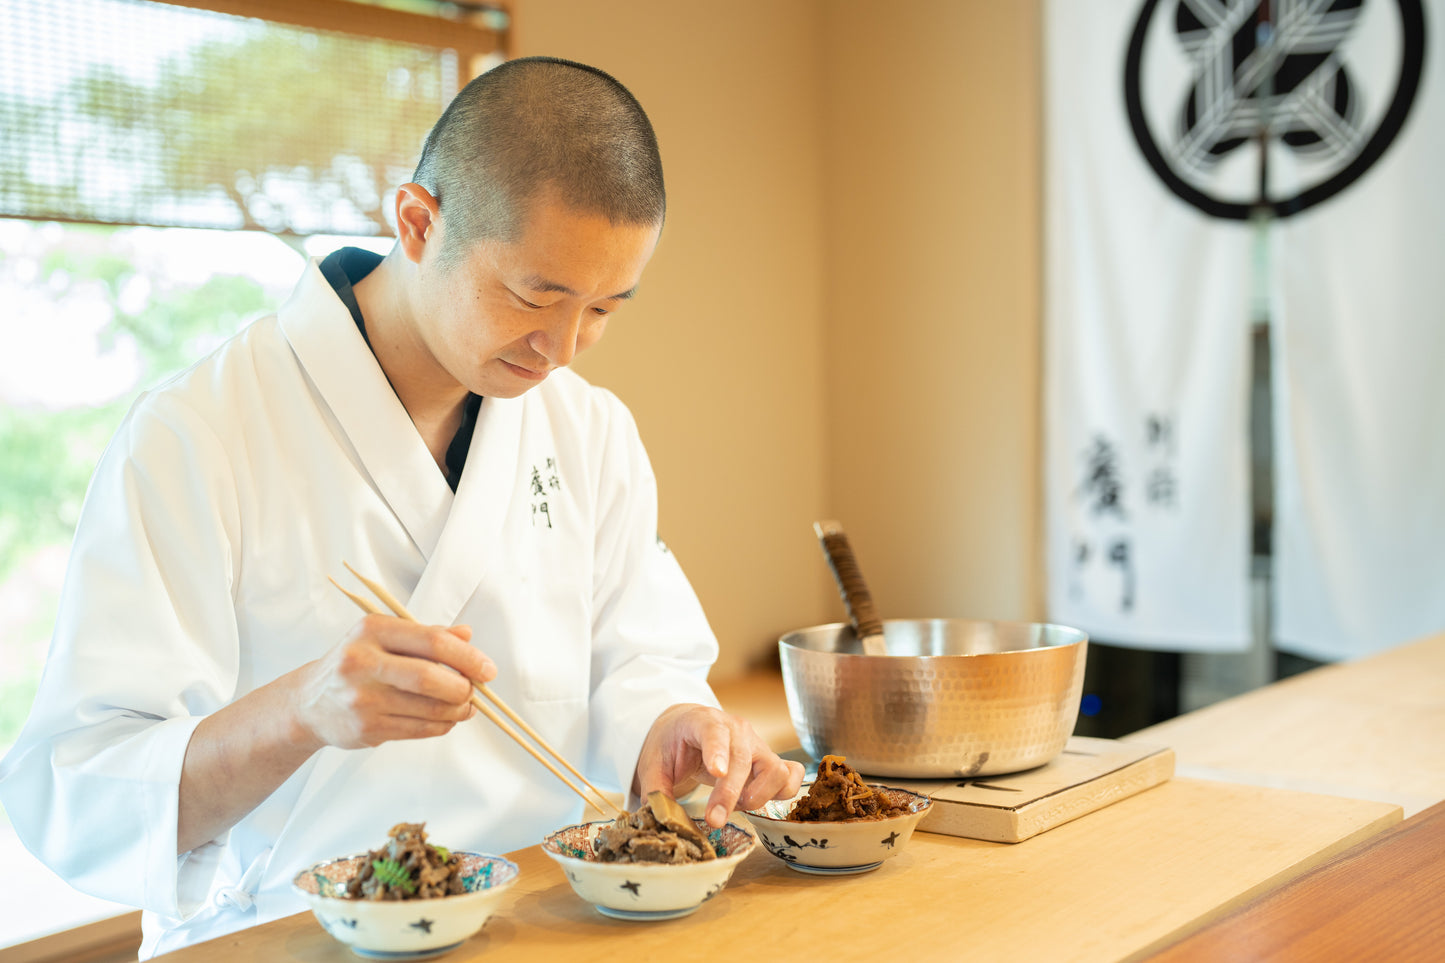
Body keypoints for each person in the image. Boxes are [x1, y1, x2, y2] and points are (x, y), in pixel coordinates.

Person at [0, 56, 803, 957]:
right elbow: (75, 793)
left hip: (540, 920)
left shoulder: (589, 429)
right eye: (534, 295)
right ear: (418, 222)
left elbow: (640, 657)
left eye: (605, 308)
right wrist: (301, 709)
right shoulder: (198, 431)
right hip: (289, 933)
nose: (564, 348)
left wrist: (672, 726)